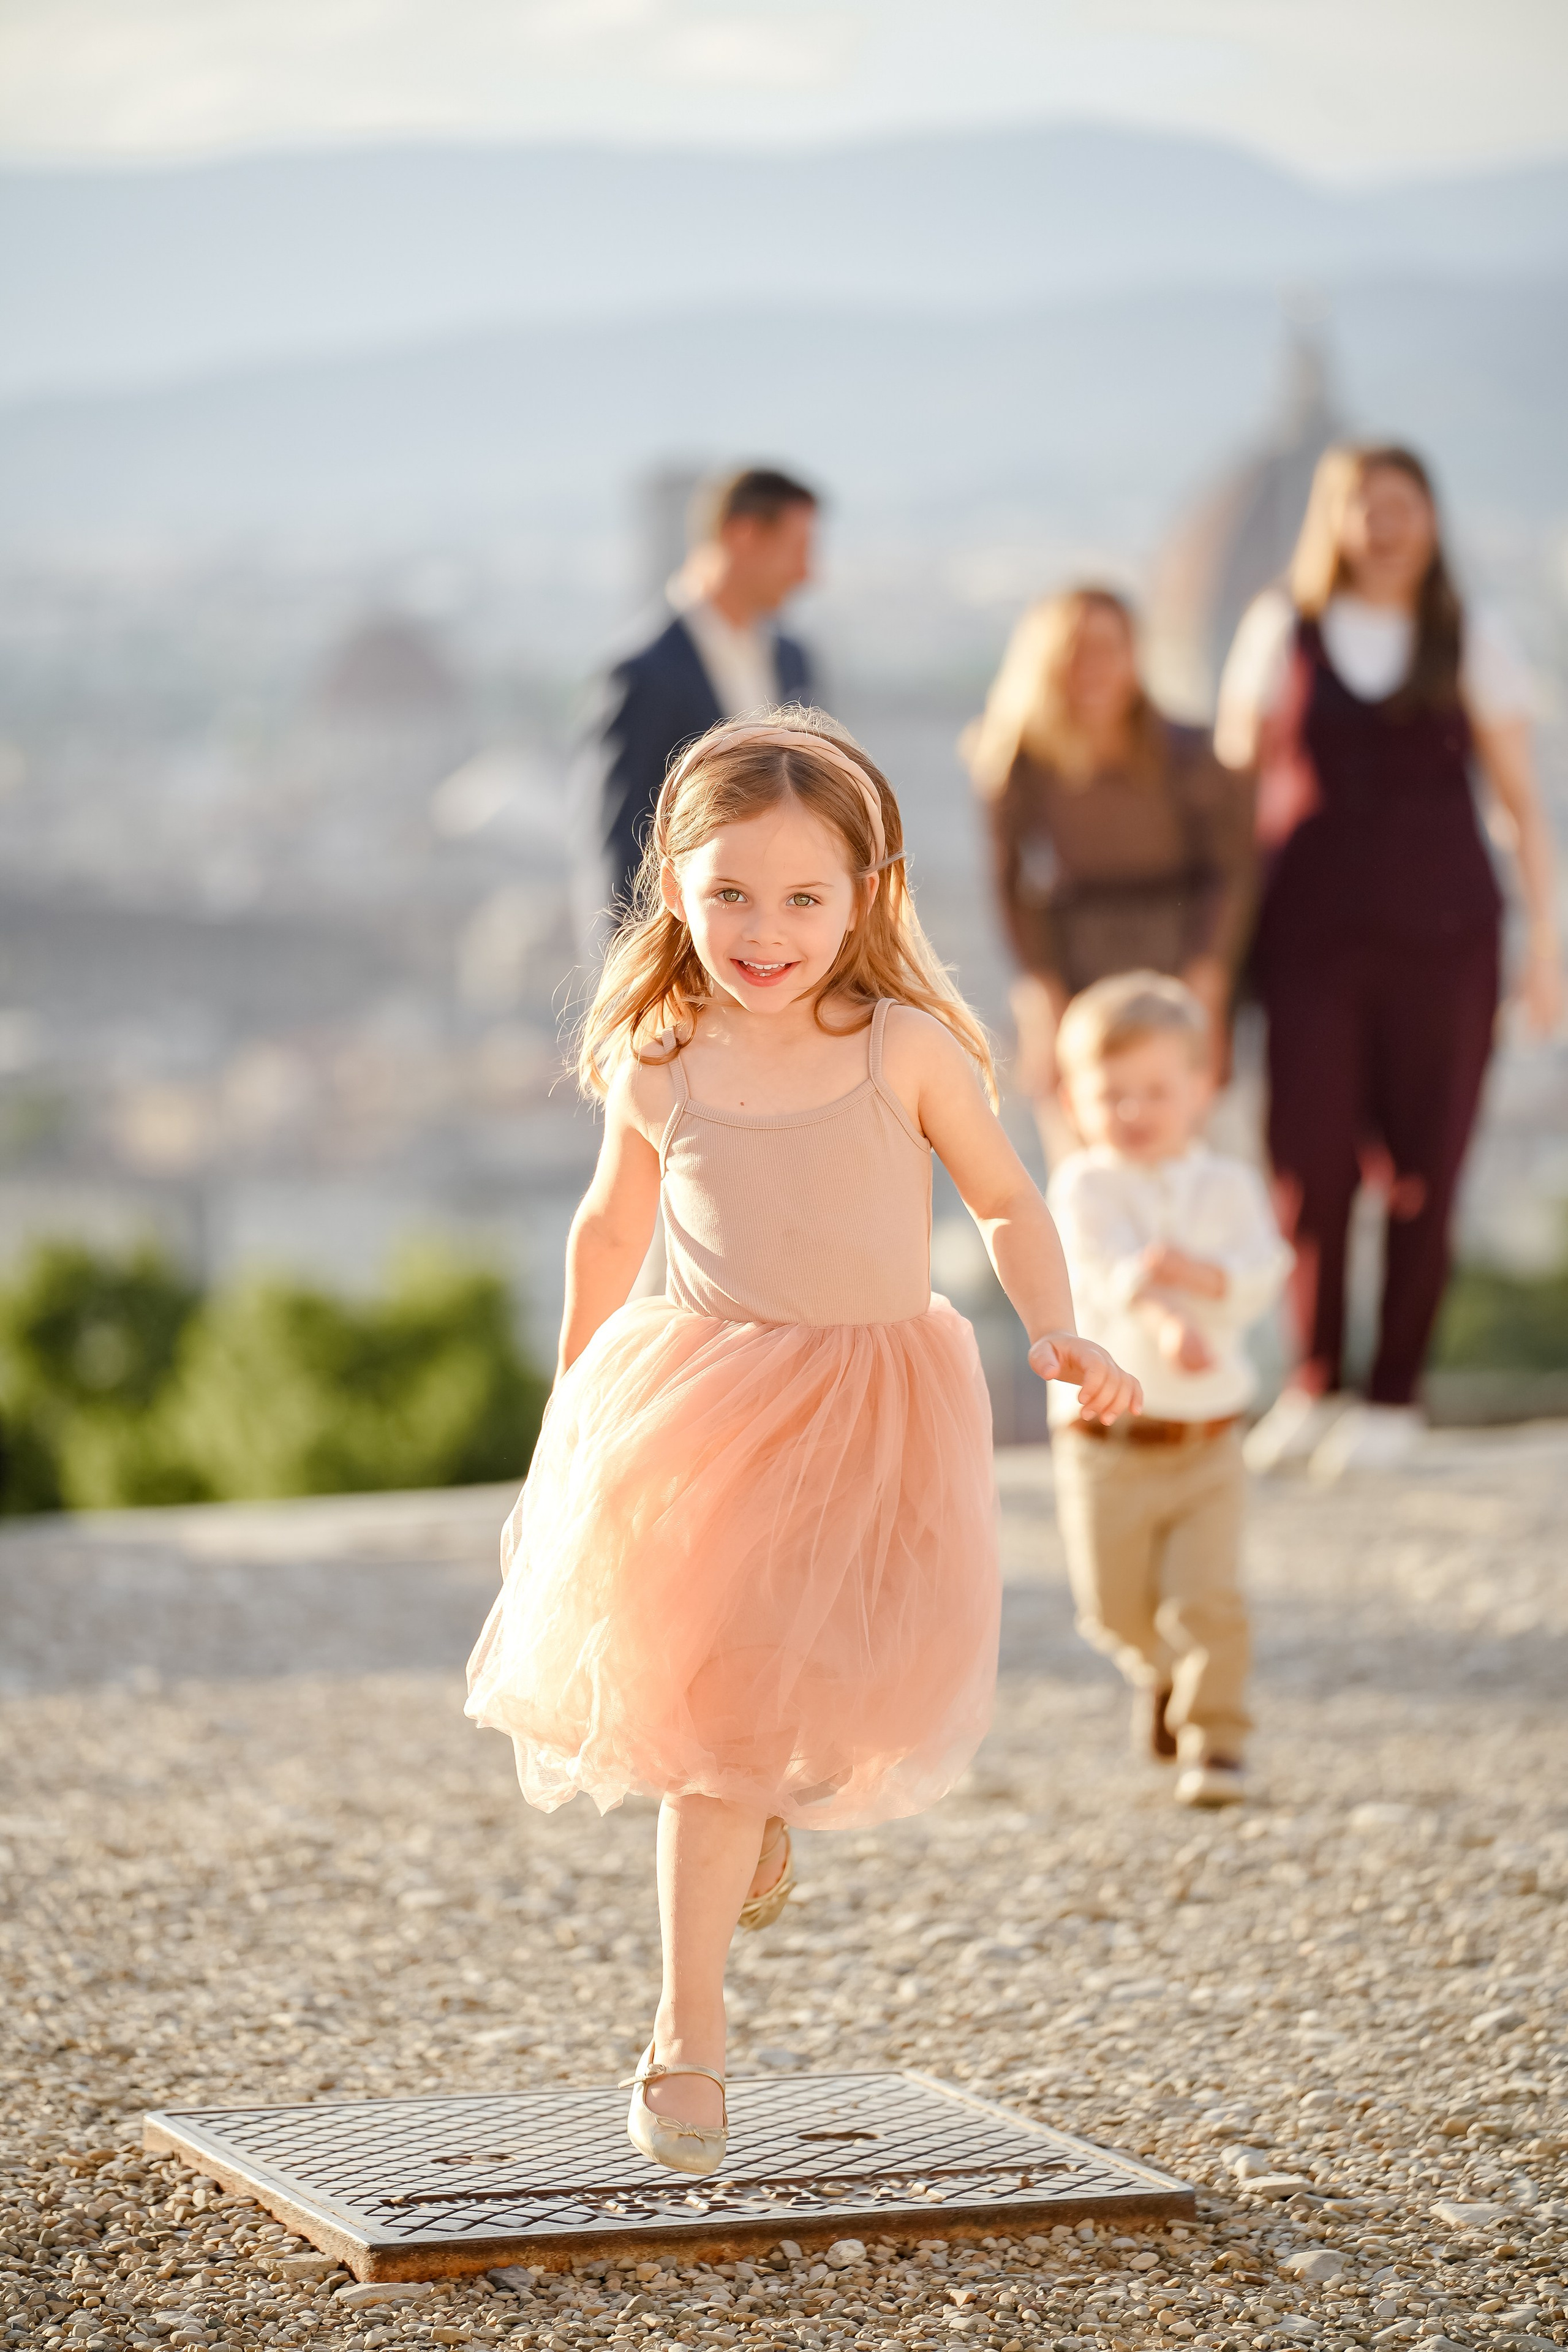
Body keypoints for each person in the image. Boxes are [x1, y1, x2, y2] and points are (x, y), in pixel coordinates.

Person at [466, 707, 1140, 2177]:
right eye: (726, 895)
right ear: (674, 887)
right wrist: (573, 1386)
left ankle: (756, 1810)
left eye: (800, 897)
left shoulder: (900, 1046)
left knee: (806, 1702)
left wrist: (1057, 1323)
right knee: (707, 1730)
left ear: (865, 896)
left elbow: (1006, 1201)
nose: (761, 931)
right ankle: (682, 2032)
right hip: (703, 1411)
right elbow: (610, 1223)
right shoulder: (661, 1050)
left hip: (871, 1408)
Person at [1216, 443, 1564, 1479]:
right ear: (1333, 520)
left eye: (1404, 505)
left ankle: (1396, 1397)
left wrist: (1546, 945)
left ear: (1431, 517)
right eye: (1366, 507)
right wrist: (1213, 956)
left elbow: (1521, 803)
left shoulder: (1472, 637)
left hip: (1445, 939)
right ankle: (1316, 1380)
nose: (1386, 525)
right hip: (1309, 942)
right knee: (1307, 1163)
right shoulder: (1281, 631)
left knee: (1428, 1167)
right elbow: (1234, 801)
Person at [1048, 973, 1292, 1810]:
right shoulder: (1083, 1185)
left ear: (1201, 1087)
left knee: (1209, 1599)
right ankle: (1160, 1676)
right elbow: (1109, 1273)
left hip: (1207, 1439)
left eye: (1155, 1091)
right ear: (1074, 1099)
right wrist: (1163, 1308)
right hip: (1105, 1447)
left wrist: (1205, 1279)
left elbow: (1266, 1274)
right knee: (1111, 1611)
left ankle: (1217, 1743)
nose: (1133, 1112)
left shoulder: (1227, 1187)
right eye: (1110, 1095)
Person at [966, 585, 1256, 1162]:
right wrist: (1041, 994)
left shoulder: (1189, 753)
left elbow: (1233, 873)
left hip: (1182, 958)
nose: (1092, 667)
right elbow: (1011, 885)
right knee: (1086, 1161)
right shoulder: (1018, 762)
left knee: (1199, 1157)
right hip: (1077, 970)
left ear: (1135, 655)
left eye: (1109, 648)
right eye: (1075, 650)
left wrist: (1211, 986)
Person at [574, 466, 820, 947]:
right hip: (684, 971)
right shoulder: (641, 675)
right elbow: (619, 851)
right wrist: (634, 1000)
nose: (808, 573)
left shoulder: (795, 661)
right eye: (798, 550)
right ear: (744, 535)